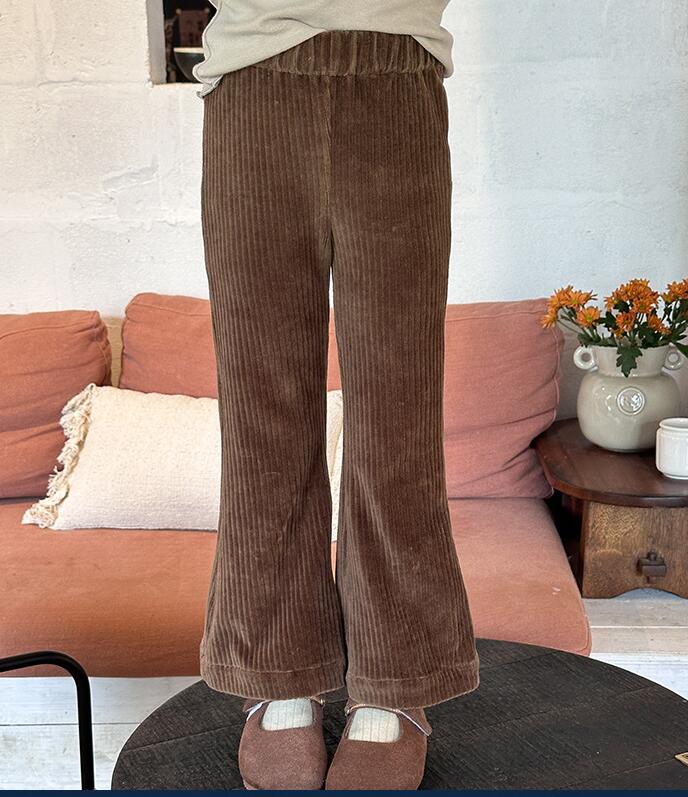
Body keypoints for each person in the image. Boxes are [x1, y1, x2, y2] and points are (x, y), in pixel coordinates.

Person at [194, 2, 480, 790]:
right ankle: (278, 672)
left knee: (397, 415)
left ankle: (394, 681)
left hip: (398, 83)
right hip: (250, 88)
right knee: (263, 417)